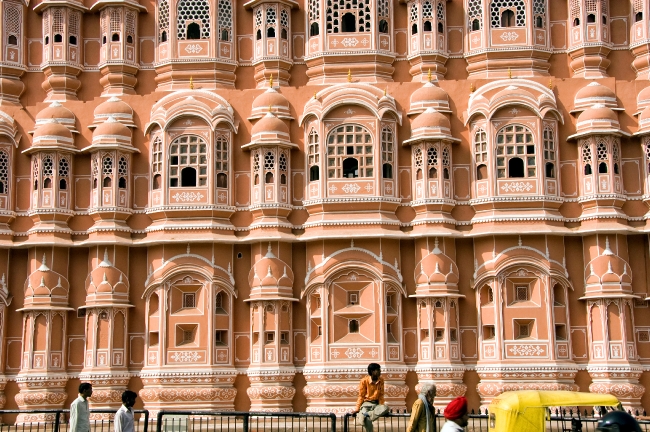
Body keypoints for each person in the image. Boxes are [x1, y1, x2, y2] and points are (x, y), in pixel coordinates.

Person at [353, 363, 389, 432]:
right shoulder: (364, 381)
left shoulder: (381, 380)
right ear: (373, 371)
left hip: (376, 404)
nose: (380, 372)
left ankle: (365, 415)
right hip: (366, 404)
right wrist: (357, 408)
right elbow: (361, 396)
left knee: (386, 408)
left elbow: (381, 395)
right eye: (378, 370)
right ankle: (363, 415)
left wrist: (381, 406)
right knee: (367, 420)